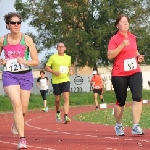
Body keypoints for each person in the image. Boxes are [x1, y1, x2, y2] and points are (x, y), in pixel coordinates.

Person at [0, 12, 39, 149]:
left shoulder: (27, 40)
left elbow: (36, 61)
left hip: (25, 75)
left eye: (19, 22)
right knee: (16, 105)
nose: (16, 25)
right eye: (13, 23)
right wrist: (2, 60)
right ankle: (22, 139)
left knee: (23, 110)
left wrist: (25, 62)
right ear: (7, 25)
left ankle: (17, 122)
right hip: (9, 75)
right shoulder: (2, 40)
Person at [107, 14, 145, 136]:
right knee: (121, 101)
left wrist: (138, 57)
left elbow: (134, 50)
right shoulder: (114, 39)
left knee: (138, 97)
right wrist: (122, 45)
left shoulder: (133, 37)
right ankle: (118, 126)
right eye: (123, 22)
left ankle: (136, 126)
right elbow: (110, 55)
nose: (126, 24)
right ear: (117, 25)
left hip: (135, 71)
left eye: (127, 22)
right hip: (119, 74)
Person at [45, 42, 72, 124]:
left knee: (66, 98)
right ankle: (58, 112)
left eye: (62, 47)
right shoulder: (53, 57)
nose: (60, 48)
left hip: (66, 80)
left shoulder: (68, 57)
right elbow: (47, 67)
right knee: (57, 99)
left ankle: (66, 116)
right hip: (56, 81)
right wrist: (54, 72)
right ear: (57, 48)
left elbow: (69, 66)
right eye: (59, 47)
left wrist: (70, 70)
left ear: (65, 48)